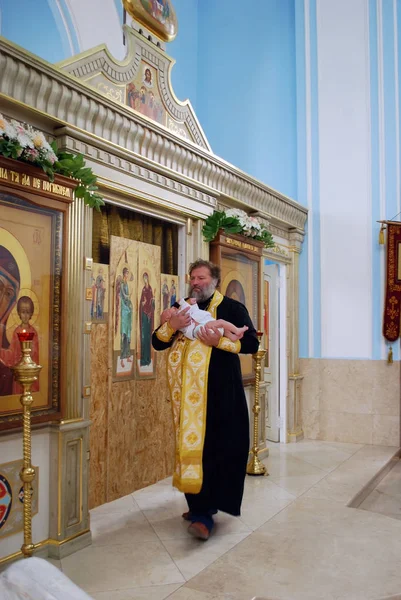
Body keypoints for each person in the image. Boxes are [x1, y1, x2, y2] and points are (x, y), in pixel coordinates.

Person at [152, 259, 259, 541]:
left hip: (220, 395)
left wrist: (220, 342)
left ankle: (204, 513)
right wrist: (171, 325)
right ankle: (197, 504)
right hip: (185, 398)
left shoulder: (231, 308)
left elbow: (251, 344)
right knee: (192, 450)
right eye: (193, 278)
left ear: (215, 280)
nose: (196, 282)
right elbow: (157, 342)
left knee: (214, 449)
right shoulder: (181, 307)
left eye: (201, 278)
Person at [0, 296, 40, 394]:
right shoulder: (16, 332)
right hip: (20, 373)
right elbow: (12, 353)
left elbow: (36, 354)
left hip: (30, 372)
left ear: (31, 313)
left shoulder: (34, 332)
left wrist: (31, 350)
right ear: (18, 313)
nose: (25, 316)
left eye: (28, 312)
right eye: (23, 312)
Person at [164, 297, 248, 342]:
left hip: (202, 325)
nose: (174, 308)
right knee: (221, 322)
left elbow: (193, 309)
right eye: (169, 311)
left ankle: (232, 336)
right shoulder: (177, 320)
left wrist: (185, 302)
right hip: (198, 329)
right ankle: (236, 330)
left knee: (222, 328)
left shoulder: (182, 310)